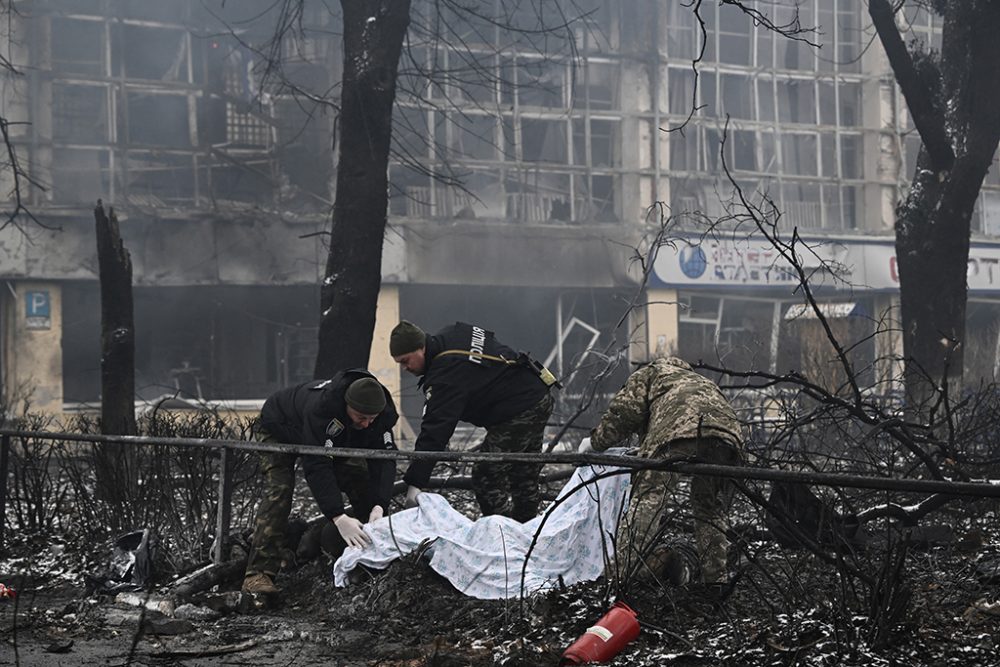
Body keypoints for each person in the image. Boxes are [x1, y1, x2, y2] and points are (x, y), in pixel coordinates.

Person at [586, 356, 743, 585]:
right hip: (727, 436)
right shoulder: (699, 380)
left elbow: (624, 413)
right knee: (709, 507)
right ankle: (716, 580)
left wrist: (593, 444)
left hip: (679, 430)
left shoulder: (651, 372)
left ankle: (619, 575)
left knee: (648, 496)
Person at [241, 370, 399, 595]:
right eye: (361, 418)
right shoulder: (323, 410)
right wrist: (338, 516)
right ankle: (258, 573)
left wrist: (379, 505)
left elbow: (384, 461)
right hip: (279, 426)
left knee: (359, 479)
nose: (366, 425)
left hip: (327, 439)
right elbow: (317, 465)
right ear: (346, 405)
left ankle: (369, 554)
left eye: (371, 419)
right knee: (280, 490)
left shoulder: (379, 416)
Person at [390, 320, 556, 522]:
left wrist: (415, 483)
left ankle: (503, 535)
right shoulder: (452, 333)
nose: (404, 368)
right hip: (537, 392)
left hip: (519, 409)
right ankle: (528, 532)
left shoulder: (445, 374)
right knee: (523, 472)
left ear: (421, 347)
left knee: (486, 474)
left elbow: (435, 430)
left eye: (406, 360)